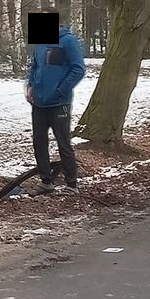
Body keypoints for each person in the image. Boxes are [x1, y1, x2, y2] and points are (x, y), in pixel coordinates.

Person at [23, 21, 87, 190]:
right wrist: (29, 86)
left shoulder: (68, 41)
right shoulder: (39, 43)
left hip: (59, 103)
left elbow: (78, 69)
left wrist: (60, 90)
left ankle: (71, 184)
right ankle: (46, 182)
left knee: (63, 143)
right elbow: (34, 66)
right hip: (38, 103)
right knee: (39, 142)